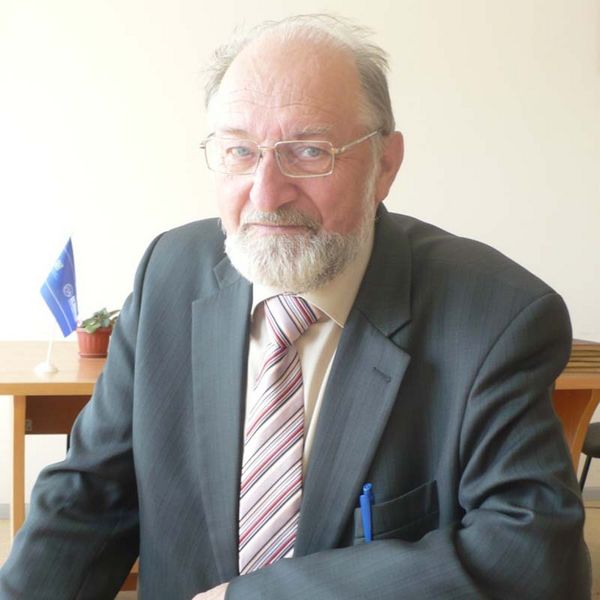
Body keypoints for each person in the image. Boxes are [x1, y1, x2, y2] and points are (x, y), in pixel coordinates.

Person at [0, 14, 591, 600]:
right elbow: (88, 499)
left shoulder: (496, 317)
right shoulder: (168, 274)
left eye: (309, 151)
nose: (266, 193)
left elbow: (535, 559)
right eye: (239, 150)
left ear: (385, 165)